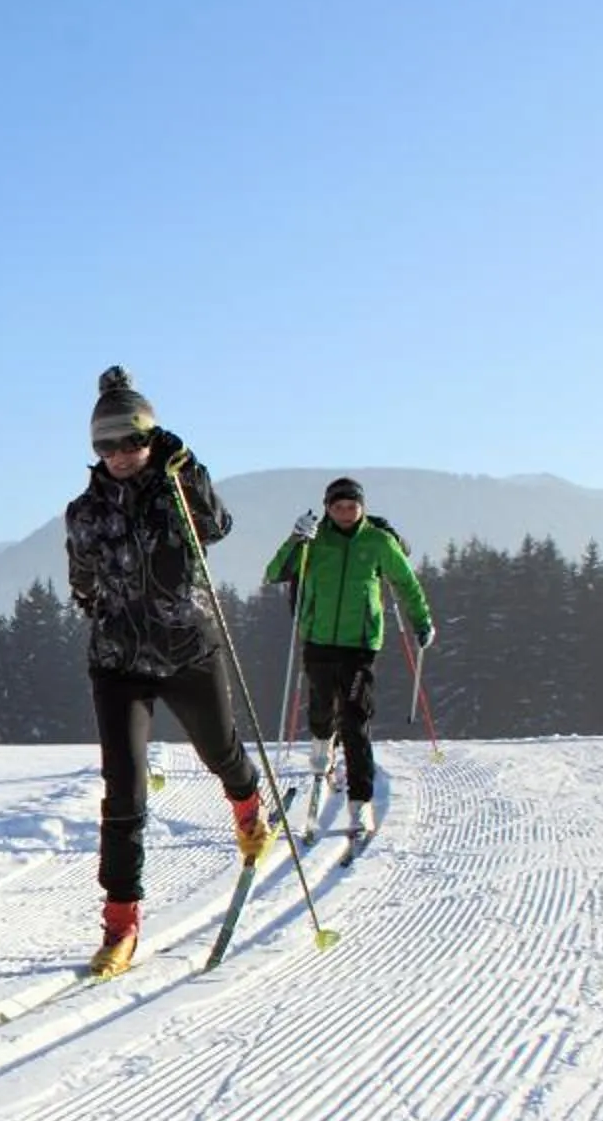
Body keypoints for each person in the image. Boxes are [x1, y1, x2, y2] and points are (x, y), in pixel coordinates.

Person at [64, 367, 277, 977]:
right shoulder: (83, 512)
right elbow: (82, 581)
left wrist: (191, 469)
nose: (120, 456)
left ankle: (246, 803)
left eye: (131, 442)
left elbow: (217, 527)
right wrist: (109, 616)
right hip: (117, 663)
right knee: (123, 793)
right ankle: (120, 924)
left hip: (188, 651)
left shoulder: (177, 491)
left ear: (151, 440)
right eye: (106, 446)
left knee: (221, 750)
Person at [264, 476, 432, 838]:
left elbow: (406, 583)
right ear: (327, 508)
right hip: (318, 639)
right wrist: (296, 539)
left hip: (360, 646)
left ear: (362, 507)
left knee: (356, 723)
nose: (345, 513)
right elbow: (274, 573)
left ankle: (360, 803)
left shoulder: (378, 541)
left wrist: (422, 622)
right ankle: (321, 749)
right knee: (321, 708)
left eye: (351, 506)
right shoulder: (314, 539)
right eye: (338, 507)